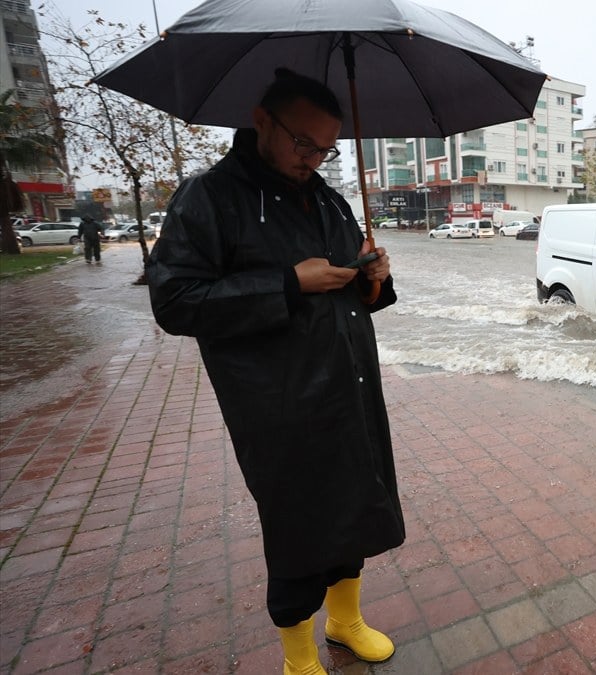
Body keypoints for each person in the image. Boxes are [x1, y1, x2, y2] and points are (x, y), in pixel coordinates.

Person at [147, 69, 404, 675]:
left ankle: (345, 622)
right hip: (278, 404)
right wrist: (288, 282)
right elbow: (176, 301)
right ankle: (298, 657)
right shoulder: (208, 198)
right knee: (298, 529)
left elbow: (350, 290)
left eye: (325, 149)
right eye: (302, 143)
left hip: (350, 385)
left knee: (355, 509)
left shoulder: (328, 196)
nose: (313, 159)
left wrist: (374, 278)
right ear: (262, 120)